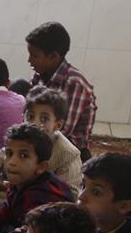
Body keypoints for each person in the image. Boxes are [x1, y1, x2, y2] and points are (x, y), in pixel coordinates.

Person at [0, 86, 82, 211]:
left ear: (58, 125)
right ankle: (4, 212)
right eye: (30, 117)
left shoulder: (69, 154)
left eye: (44, 119)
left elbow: (69, 197)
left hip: (44, 209)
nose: (35, 123)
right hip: (16, 197)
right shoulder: (21, 140)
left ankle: (2, 213)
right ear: (23, 118)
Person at [26, 21, 96, 161]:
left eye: (34, 56)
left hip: (69, 152)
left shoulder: (74, 83)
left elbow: (61, 132)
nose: (29, 60)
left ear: (53, 57)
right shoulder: (40, 76)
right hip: (43, 141)